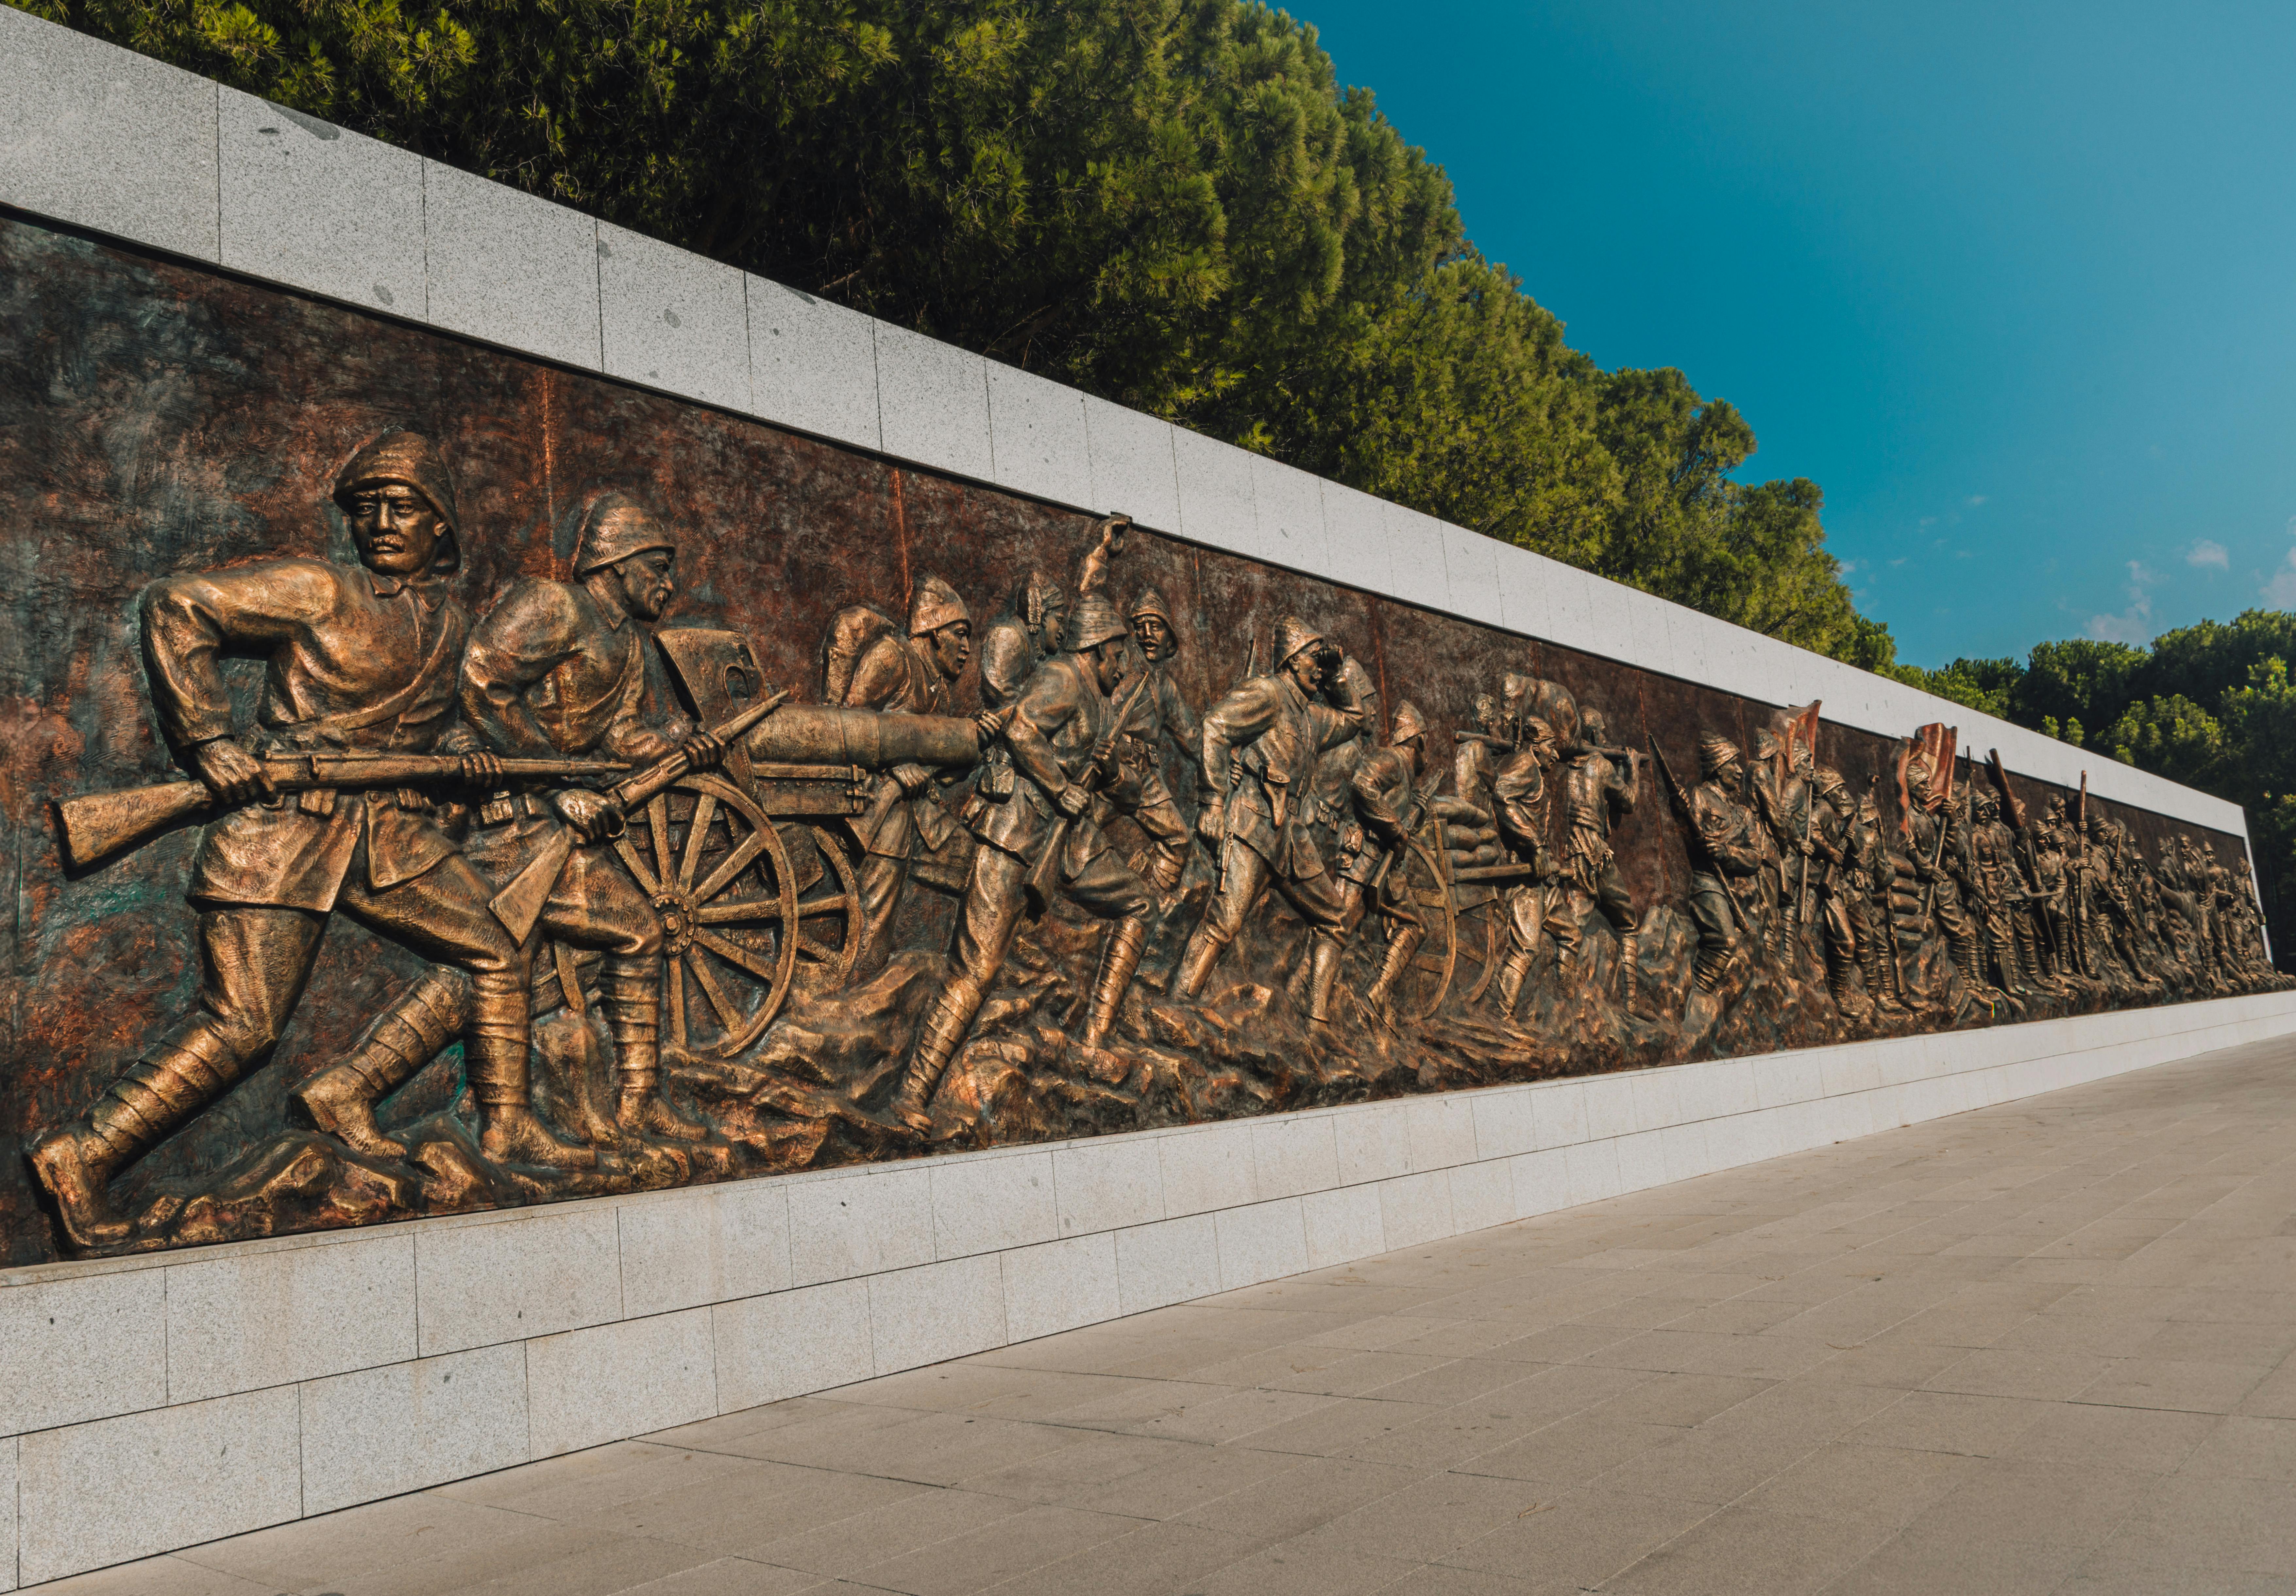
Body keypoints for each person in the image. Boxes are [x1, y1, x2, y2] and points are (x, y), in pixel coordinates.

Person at [29, 432, 567, 1251]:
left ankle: (503, 1128)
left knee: (498, 947)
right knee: (245, 1025)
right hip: (286, 826)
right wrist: (209, 738)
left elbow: (428, 731)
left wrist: (464, 757)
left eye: (403, 507)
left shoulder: (451, 622)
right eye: (367, 508)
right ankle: (85, 1152)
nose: (381, 522)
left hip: (385, 834)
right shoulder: (320, 588)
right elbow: (177, 604)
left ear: (441, 525)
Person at [291, 493, 723, 1158]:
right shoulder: (553, 604)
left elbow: (618, 734)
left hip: (549, 822)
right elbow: (482, 682)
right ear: (617, 561)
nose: (668, 584)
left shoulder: (627, 643)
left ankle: (353, 1088)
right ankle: (611, 1106)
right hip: (507, 820)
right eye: (657, 567)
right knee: (587, 939)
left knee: (502, 962)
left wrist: (674, 745)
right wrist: (557, 786)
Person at [888, 592, 1153, 1129]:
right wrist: (1059, 786)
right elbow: (1020, 728)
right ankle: (912, 1095)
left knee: (1140, 905)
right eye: (1118, 653)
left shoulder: (1104, 701)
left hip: (1067, 842)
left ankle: (1093, 1038)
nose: (1124, 666)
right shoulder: (1062, 677)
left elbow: (1129, 793)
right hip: (1015, 834)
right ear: (1097, 648)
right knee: (977, 969)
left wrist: (1110, 772)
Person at [1171, 616, 1372, 1022]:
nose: (1318, 668)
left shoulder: (1311, 716)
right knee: (1226, 921)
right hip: (1253, 825)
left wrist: (1336, 675)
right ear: (1292, 659)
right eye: (1314, 658)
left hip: (1291, 837)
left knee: (1335, 919)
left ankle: (1315, 1023)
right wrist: (1212, 801)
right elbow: (1215, 726)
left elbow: (1354, 718)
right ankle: (1177, 1004)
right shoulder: (1268, 693)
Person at [842, 575, 973, 962]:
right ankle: (857, 983)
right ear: (933, 631)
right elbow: (847, 725)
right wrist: (897, 765)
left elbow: (938, 768)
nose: (967, 648)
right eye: (960, 634)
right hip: (878, 813)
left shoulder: (940, 690)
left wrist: (973, 745)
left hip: (922, 817)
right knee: (873, 927)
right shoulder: (892, 657)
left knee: (975, 867)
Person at [1334, 700, 1432, 1016]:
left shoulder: (1405, 774)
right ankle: (1303, 996)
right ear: (1418, 742)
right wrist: (1397, 829)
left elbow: (1397, 816)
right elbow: (1362, 785)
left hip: (1382, 866)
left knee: (1416, 924)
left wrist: (1415, 814)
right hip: (1363, 857)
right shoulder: (1391, 759)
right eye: (1425, 745)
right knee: (1337, 929)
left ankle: (1378, 994)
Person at [1102, 585, 1198, 893]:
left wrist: (1228, 758)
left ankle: (1150, 902)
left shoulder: (1166, 685)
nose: (1147, 634)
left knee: (1179, 840)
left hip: (1145, 775)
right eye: (1140, 626)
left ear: (1169, 635)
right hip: (1112, 764)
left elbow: (1192, 737)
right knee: (1077, 824)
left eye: (1155, 626)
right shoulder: (1124, 661)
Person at [1558, 707, 1643, 1009]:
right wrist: (1633, 769)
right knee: (1628, 923)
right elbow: (1629, 801)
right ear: (1594, 736)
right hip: (1595, 854)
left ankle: (1563, 999)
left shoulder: (1564, 766)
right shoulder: (1600, 765)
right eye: (1603, 733)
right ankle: (1631, 1003)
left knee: (1572, 931)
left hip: (1572, 854)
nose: (1605, 738)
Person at [1684, 734, 1764, 993]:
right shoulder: (1701, 797)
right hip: (1707, 882)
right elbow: (1691, 839)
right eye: (1733, 764)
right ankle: (1700, 993)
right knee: (1726, 942)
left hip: (1735, 890)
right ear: (1718, 767)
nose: (1740, 771)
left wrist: (1727, 852)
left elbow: (1755, 858)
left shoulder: (1744, 814)